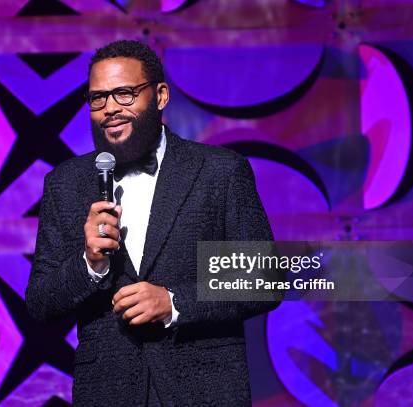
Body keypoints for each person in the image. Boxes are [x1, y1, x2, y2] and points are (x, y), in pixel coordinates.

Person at [25, 39, 280, 406]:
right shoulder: (65, 184)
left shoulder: (218, 171)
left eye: (125, 94)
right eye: (98, 98)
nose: (110, 108)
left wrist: (173, 302)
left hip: (204, 391)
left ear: (160, 96)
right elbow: (41, 302)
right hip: (108, 393)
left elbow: (263, 277)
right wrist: (89, 266)